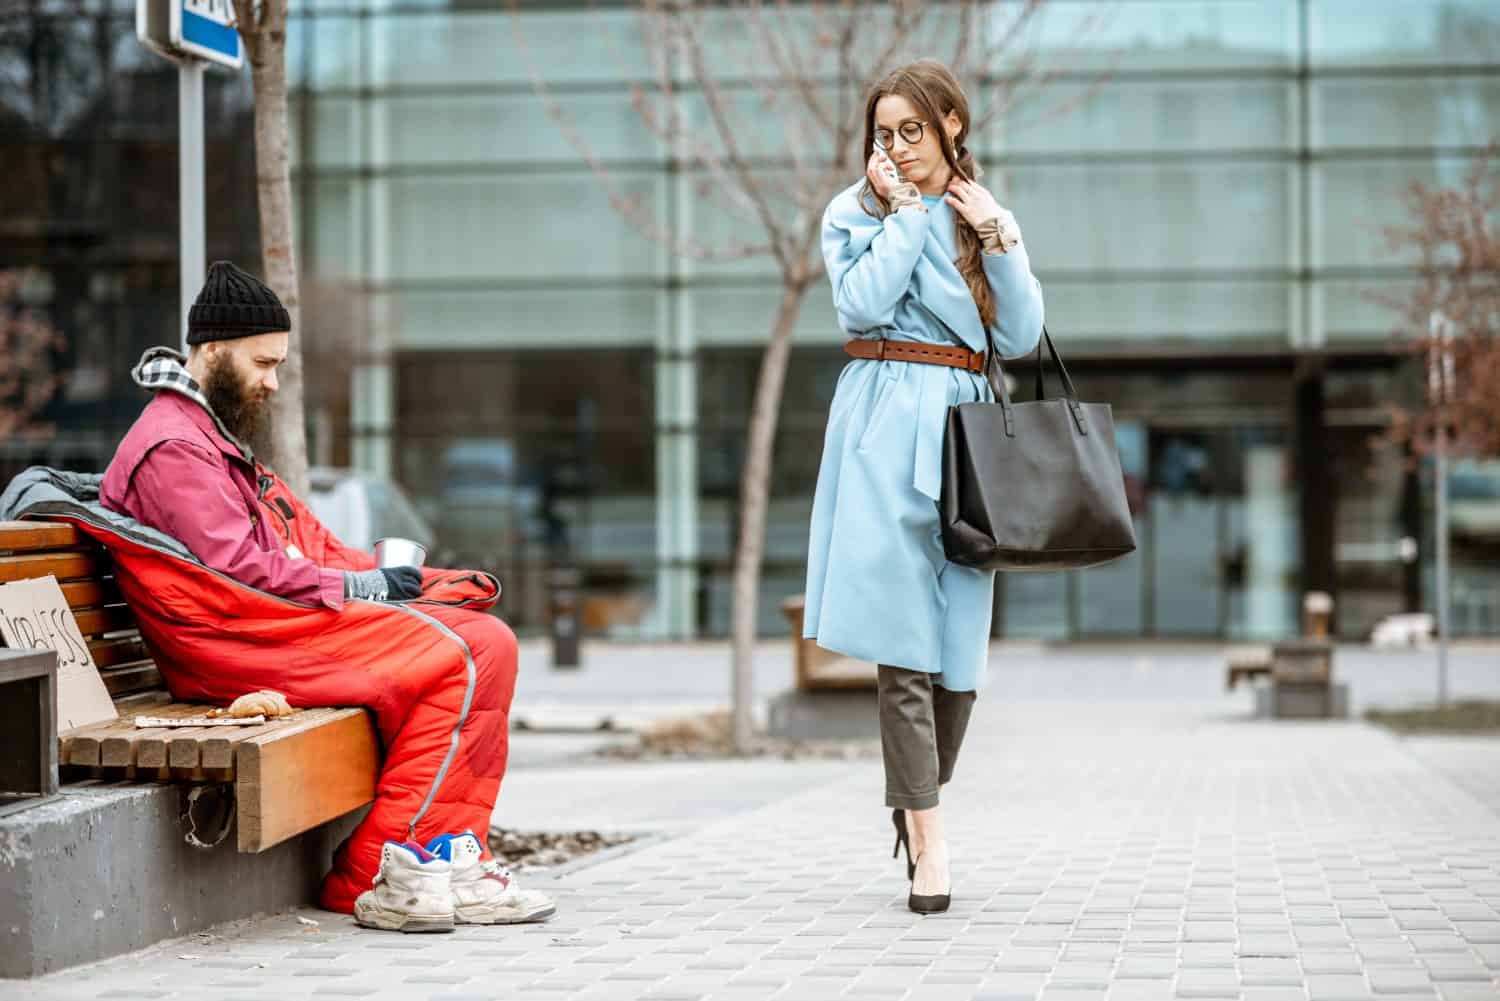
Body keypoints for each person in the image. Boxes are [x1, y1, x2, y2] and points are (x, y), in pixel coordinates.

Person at [94, 260, 554, 931]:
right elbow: (244, 569)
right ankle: (385, 871)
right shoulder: (173, 446)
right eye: (262, 362)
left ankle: (449, 853)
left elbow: (291, 544)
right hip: (238, 639)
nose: (272, 382)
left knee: (485, 641)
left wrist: (410, 582)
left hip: (256, 625)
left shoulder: (200, 436)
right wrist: (363, 585)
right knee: (467, 655)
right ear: (214, 350)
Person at [802, 60, 1045, 914]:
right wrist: (903, 215)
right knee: (904, 646)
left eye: (913, 130)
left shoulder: (982, 216)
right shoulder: (855, 212)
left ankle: (912, 801)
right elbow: (861, 307)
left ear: (952, 127)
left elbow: (1019, 336)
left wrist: (1000, 236)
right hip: (884, 420)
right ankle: (932, 842)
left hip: (966, 434)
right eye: (884, 133)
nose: (898, 148)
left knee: (960, 655)